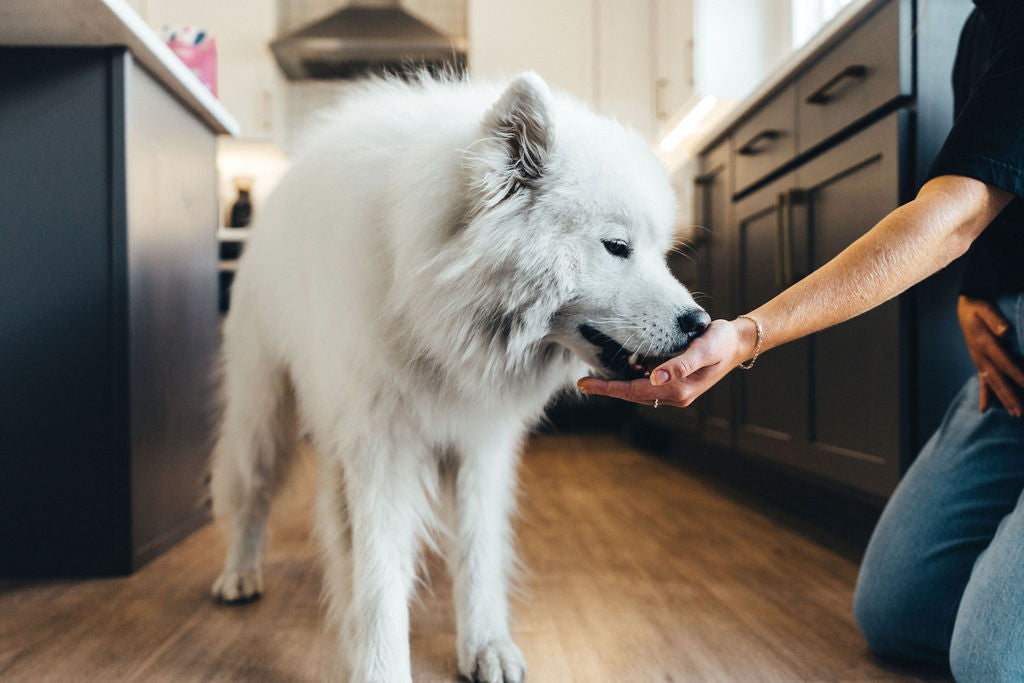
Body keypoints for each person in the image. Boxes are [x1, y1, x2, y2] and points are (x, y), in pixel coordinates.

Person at [579, 1, 1024, 679]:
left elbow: (951, 220)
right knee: (898, 614)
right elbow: (995, 193)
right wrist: (976, 294)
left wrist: (747, 334)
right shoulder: (980, 28)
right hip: (1010, 365)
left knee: (991, 664)